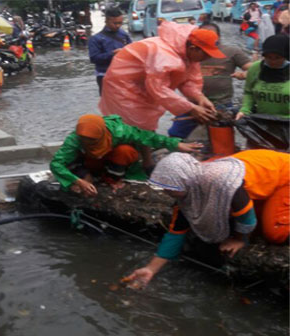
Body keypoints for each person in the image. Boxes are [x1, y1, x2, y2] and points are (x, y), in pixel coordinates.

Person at [125, 149, 289, 287]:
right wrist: (151, 269)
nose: (165, 192)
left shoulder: (223, 181)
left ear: (184, 181)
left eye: (170, 188)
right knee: (246, 218)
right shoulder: (190, 189)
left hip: (284, 175)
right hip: (261, 179)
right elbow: (176, 233)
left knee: (274, 231)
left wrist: (240, 239)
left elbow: (246, 215)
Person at [99, 21, 223, 172]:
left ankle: (143, 160)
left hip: (144, 83)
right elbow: (158, 88)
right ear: (193, 48)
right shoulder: (163, 54)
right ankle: (138, 162)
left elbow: (188, 80)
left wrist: (200, 98)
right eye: (206, 55)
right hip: (123, 84)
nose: (207, 59)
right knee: (137, 124)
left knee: (147, 121)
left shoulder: (188, 55)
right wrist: (191, 108)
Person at [50, 114, 203, 196]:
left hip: (112, 160)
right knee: (78, 178)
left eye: (93, 141)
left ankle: (111, 179)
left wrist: (176, 144)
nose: (89, 144)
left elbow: (146, 137)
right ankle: (88, 177)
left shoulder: (118, 130)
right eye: (85, 141)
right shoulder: (74, 140)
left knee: (125, 151)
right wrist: (77, 181)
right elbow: (56, 163)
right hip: (88, 163)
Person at [168, 23, 252, 139]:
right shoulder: (190, 54)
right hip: (193, 103)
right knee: (176, 133)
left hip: (221, 103)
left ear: (218, 37)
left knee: (221, 137)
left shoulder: (231, 51)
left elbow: (254, 69)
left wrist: (244, 75)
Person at [237, 34, 290, 120]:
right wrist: (244, 110)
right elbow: (249, 92)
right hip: (262, 119)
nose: (273, 61)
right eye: (269, 57)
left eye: (277, 57)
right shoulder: (255, 68)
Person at [88, 7, 132, 96]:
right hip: (104, 76)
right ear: (106, 21)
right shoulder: (95, 39)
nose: (118, 25)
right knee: (109, 105)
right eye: (115, 23)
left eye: (120, 23)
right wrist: (113, 54)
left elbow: (132, 50)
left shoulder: (124, 35)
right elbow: (94, 58)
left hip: (123, 75)